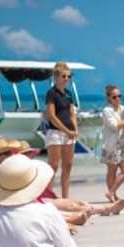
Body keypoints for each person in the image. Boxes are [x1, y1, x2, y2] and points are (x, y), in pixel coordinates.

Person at [44, 62, 78, 198]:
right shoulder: (51, 93)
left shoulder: (69, 93)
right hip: (56, 133)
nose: (67, 79)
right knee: (53, 166)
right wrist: (66, 131)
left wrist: (75, 129)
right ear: (56, 77)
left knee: (68, 166)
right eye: (64, 76)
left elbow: (72, 113)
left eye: (69, 76)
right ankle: (48, 197)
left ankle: (65, 197)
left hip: (69, 134)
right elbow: (51, 116)